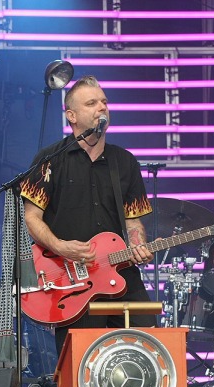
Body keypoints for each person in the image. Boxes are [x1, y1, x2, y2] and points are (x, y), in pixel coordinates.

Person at [20, 75, 157, 356]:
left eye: (104, 102)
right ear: (72, 116)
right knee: (81, 360)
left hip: (120, 271)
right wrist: (59, 246)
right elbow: (32, 217)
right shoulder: (50, 159)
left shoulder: (125, 162)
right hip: (72, 280)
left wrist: (138, 241)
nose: (102, 107)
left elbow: (133, 220)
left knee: (148, 347)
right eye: (92, 103)